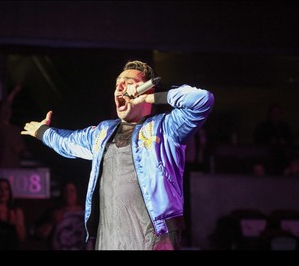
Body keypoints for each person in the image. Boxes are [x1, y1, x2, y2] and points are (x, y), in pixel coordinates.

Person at [21, 60, 214, 250]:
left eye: (128, 83)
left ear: (145, 89)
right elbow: (69, 143)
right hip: (109, 241)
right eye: (117, 84)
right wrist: (43, 132)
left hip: (154, 241)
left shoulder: (166, 129)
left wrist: (149, 96)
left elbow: (202, 100)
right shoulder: (103, 132)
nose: (120, 87)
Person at [35, 182, 87, 250]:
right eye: (66, 191)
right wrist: (52, 222)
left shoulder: (87, 213)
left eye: (72, 191)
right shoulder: (54, 212)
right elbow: (39, 234)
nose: (69, 194)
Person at [0, 84, 25, 168]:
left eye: (9, 110)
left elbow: (21, 148)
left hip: (13, 165)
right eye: (6, 110)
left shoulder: (15, 129)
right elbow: (4, 107)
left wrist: (19, 149)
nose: (8, 112)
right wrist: (14, 92)